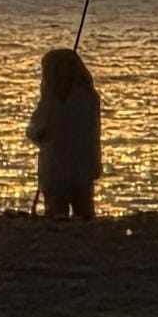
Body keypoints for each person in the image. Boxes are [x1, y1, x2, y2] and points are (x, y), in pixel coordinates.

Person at [28, 48, 102, 219]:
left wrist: (37, 134)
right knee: (84, 211)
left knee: (56, 212)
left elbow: (36, 129)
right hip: (84, 167)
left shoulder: (51, 101)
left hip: (55, 168)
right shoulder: (90, 97)